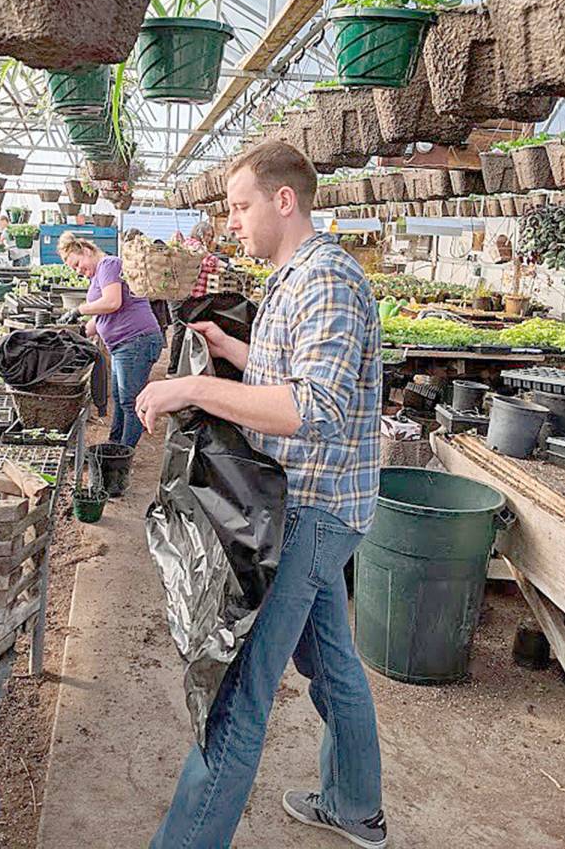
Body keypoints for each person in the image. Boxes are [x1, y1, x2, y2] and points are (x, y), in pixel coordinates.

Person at [136, 140, 385, 848]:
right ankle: (353, 806)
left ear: (284, 200)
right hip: (312, 499)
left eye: (241, 205)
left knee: (238, 687)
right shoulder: (294, 275)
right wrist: (233, 351)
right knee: (330, 662)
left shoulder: (327, 280)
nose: (233, 221)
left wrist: (191, 385)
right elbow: (290, 371)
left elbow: (318, 408)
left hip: (310, 507)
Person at [58, 233, 162, 448]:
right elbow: (101, 318)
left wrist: (78, 310)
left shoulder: (108, 264)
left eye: (77, 264)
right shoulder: (98, 275)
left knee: (129, 401)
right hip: (124, 345)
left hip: (136, 341)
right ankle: (114, 445)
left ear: (86, 250)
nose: (78, 271)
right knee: (120, 398)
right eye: (74, 269)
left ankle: (123, 453)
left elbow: (112, 302)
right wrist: (73, 335)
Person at [166, 221, 220, 376]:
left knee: (186, 331)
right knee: (181, 331)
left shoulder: (194, 245)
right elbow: (210, 261)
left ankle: (182, 367)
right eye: (208, 235)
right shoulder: (193, 245)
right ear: (199, 233)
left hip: (188, 296)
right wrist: (226, 265)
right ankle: (173, 369)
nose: (209, 238)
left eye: (211, 236)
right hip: (181, 296)